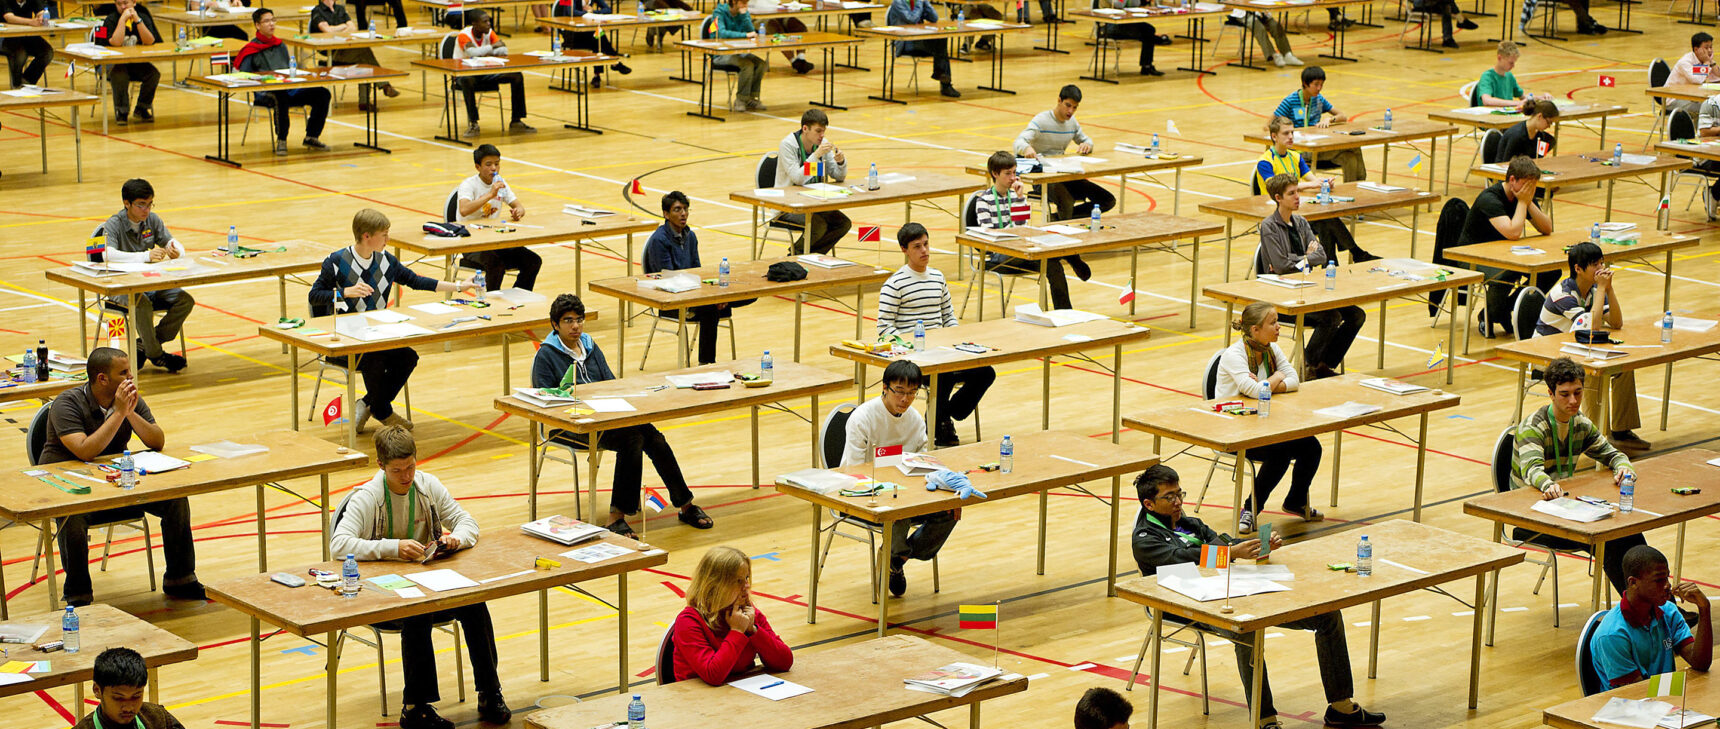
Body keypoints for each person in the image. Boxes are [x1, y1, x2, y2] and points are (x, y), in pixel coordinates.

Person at [1131, 464, 1385, 728]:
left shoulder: (1189, 523)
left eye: (1179, 493)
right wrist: (1231, 552)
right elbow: (1183, 558)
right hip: (1185, 604)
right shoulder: (1145, 539)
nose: (1178, 501)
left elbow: (1221, 542)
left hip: (1225, 590)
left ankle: (1341, 707)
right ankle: (1265, 719)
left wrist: (1255, 547)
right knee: (1247, 630)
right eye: (1169, 497)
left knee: (1327, 616)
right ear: (1149, 504)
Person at [330, 426, 510, 729]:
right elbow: (339, 544)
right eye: (398, 470)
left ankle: (490, 692)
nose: (406, 476)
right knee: (417, 611)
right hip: (381, 594)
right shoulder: (367, 497)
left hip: (428, 584)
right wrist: (393, 548)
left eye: (411, 466)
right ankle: (415, 707)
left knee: (474, 602)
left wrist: (457, 540)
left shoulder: (428, 485)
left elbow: (466, 521)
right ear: (381, 466)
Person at [530, 293, 712, 535]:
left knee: (653, 436)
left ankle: (685, 504)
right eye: (568, 320)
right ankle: (616, 518)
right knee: (632, 440)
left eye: (579, 320)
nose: (575, 326)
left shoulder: (590, 346)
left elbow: (610, 384)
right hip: (571, 426)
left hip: (607, 418)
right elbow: (546, 402)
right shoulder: (546, 355)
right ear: (555, 324)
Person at [40, 347, 203, 607]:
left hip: (114, 482)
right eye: (124, 372)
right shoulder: (67, 403)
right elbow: (86, 451)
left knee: (175, 499)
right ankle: (78, 593)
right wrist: (118, 413)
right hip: (70, 485)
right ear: (102, 378)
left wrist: (129, 412)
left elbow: (157, 440)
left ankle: (180, 578)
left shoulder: (129, 399)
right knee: (72, 515)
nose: (131, 378)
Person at [309, 209, 477, 431]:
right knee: (374, 359)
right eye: (384, 235)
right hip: (344, 340)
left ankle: (369, 404)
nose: (388, 240)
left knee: (407, 357)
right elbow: (314, 296)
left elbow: (416, 281)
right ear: (367, 236)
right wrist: (345, 292)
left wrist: (458, 287)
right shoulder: (337, 261)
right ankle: (383, 412)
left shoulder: (386, 261)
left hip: (377, 335)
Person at [1509, 357, 1645, 597]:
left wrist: (1624, 467)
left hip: (1565, 508)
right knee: (1610, 541)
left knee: (1629, 532)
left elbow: (1613, 454)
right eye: (1564, 394)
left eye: (1578, 392)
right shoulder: (1533, 427)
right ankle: (1638, 610)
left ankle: (1663, 609)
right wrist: (1548, 484)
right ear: (1550, 393)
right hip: (1530, 516)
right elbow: (1532, 470)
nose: (1573, 401)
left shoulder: (1579, 423)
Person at [841, 359, 956, 596]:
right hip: (864, 492)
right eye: (899, 392)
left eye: (912, 393)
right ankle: (896, 557)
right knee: (899, 511)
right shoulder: (863, 418)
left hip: (905, 490)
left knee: (951, 509)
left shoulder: (914, 420)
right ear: (885, 387)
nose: (905, 399)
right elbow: (852, 469)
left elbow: (922, 462)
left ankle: (897, 558)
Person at [878, 222, 994, 447]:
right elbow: (884, 330)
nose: (924, 251)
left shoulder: (938, 278)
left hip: (943, 351)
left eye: (926, 244)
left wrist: (955, 342)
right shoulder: (894, 284)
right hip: (914, 357)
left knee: (985, 372)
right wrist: (910, 346)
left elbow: (949, 316)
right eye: (917, 247)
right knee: (944, 374)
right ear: (904, 250)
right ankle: (939, 423)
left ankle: (943, 415)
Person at [1216, 302, 1325, 533]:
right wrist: (1276, 377)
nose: (1278, 327)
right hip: (1234, 430)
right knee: (1280, 453)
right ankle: (1250, 510)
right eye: (1273, 323)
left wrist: (1268, 384)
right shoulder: (1234, 355)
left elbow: (1294, 381)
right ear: (1255, 329)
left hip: (1265, 424)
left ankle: (1295, 501)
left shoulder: (1272, 349)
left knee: (1311, 446)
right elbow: (1254, 391)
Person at [1534, 243, 1649, 453]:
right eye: (1595, 264)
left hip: (1575, 348)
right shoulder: (1563, 294)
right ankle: (1594, 438)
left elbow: (1616, 322)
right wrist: (1603, 288)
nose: (1601, 267)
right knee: (1592, 371)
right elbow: (1593, 327)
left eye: (1602, 262)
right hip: (1547, 353)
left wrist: (1609, 288)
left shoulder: (1595, 289)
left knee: (1624, 367)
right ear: (1578, 268)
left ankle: (1622, 431)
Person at [1259, 174, 1364, 379]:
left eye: (1298, 191)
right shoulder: (1269, 226)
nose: (1298, 197)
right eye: (1292, 194)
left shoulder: (1301, 222)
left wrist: (1299, 260)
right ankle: (1306, 366)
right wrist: (1307, 257)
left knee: (1356, 314)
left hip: (1308, 289)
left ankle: (1322, 363)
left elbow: (1321, 255)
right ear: (1278, 198)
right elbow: (1280, 267)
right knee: (1331, 317)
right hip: (1282, 296)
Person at [644, 191, 753, 365]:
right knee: (711, 310)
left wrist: (716, 295)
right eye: (677, 209)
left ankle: (720, 301)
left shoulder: (691, 236)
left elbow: (697, 271)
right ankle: (706, 363)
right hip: (671, 299)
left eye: (686, 209)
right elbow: (667, 278)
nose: (683, 213)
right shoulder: (659, 240)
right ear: (666, 214)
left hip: (694, 293)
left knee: (748, 294)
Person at [1253, 117, 1377, 263]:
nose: (1291, 137)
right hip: (1277, 217)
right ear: (1274, 136)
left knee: (1326, 218)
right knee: (1326, 220)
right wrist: (1312, 185)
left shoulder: (1296, 157)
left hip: (1298, 212)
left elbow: (1312, 179)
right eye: (1286, 133)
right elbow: (1276, 187)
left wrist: (1324, 183)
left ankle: (1331, 263)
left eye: (1292, 132)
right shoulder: (1265, 162)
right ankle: (1354, 253)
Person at [101, 179, 192, 373]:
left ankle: (144, 345)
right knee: (141, 304)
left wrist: (176, 250)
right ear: (127, 203)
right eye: (141, 205)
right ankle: (157, 356)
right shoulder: (113, 224)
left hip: (149, 284)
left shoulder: (153, 220)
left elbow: (173, 242)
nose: (146, 210)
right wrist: (145, 256)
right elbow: (106, 254)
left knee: (185, 300)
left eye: (150, 204)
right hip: (121, 289)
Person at [1591, 545, 1711, 689]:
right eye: (1659, 580)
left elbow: (1700, 663)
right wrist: (1682, 686)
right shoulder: (1612, 635)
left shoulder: (1669, 612)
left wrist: (1704, 609)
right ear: (1633, 582)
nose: (1667, 586)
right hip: (1629, 707)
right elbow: (1638, 693)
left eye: (1667, 578)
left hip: (1664, 700)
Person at [1015, 84, 1117, 254]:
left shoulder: (1072, 123)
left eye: (1075, 108)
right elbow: (1019, 141)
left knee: (1107, 200)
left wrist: (1086, 145)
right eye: (1068, 105)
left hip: (1066, 174)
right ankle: (1061, 241)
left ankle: (1058, 219)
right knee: (1067, 201)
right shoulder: (1041, 120)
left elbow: (1087, 140)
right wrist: (1026, 149)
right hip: (1045, 178)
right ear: (1059, 101)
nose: (1071, 111)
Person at [670, 545, 793, 684]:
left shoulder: (747, 613)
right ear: (716, 585)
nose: (746, 586)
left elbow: (785, 662)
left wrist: (753, 630)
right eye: (738, 581)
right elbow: (713, 675)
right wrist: (737, 631)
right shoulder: (688, 621)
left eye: (746, 578)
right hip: (697, 699)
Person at [1461, 155, 1554, 337]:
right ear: (1513, 180)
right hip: (1472, 255)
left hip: (1504, 254)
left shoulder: (1523, 196)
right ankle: (1495, 313)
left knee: (1550, 271)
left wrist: (1527, 202)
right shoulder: (1490, 198)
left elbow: (1547, 228)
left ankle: (1499, 311)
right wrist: (1522, 202)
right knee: (1506, 273)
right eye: (1529, 185)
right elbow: (1513, 233)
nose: (1532, 190)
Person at [978, 150, 1077, 309]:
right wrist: (1013, 233)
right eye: (1008, 173)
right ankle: (1073, 258)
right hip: (1000, 255)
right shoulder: (984, 200)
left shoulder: (1016, 195)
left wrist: (1019, 198)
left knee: (1053, 264)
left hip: (1021, 249)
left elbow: (1022, 225)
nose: (1013, 178)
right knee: (1049, 255)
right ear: (995, 174)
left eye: (1015, 172)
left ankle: (1065, 311)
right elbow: (987, 232)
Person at [236, 8, 332, 156]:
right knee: (280, 96)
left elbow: (289, 69)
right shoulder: (251, 49)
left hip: (289, 88)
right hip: (266, 93)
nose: (271, 24)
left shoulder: (280, 45)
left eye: (273, 20)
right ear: (257, 25)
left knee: (322, 93)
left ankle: (312, 136)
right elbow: (243, 75)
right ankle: (282, 139)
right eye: (266, 21)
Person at [452, 144, 542, 292]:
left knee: (533, 261)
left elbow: (519, 206)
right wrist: (490, 195)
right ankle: (490, 303)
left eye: (497, 164)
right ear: (477, 167)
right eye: (488, 164)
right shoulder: (468, 185)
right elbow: (464, 209)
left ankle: (517, 296)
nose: (494, 168)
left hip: (494, 240)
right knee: (496, 265)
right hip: (471, 243)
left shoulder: (501, 183)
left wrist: (518, 212)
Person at [774, 109, 852, 255]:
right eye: (818, 131)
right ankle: (795, 255)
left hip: (815, 202)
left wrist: (841, 163)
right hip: (788, 205)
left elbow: (838, 176)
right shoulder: (788, 145)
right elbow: (797, 178)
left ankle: (813, 255)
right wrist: (816, 155)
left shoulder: (823, 144)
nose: (822, 136)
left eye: (823, 131)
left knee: (843, 223)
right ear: (805, 128)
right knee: (819, 225)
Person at [451, 10, 536, 137]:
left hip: (485, 72)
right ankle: (473, 123)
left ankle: (516, 121)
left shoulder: (489, 32)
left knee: (516, 76)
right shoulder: (464, 35)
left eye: (488, 21)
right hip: (464, 74)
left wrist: (485, 50)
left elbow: (503, 49)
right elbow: (472, 53)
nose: (488, 24)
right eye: (484, 22)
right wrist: (491, 48)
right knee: (467, 80)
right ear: (474, 24)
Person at [1273, 67, 1366, 182]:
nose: (1319, 88)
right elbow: (1271, 122)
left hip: (1317, 146)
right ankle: (1362, 182)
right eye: (1316, 85)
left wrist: (1330, 119)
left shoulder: (1318, 99)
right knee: (1354, 146)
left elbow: (1342, 116)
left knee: (1349, 158)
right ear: (1305, 84)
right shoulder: (1291, 101)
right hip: (1301, 150)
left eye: (1321, 85)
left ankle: (1353, 191)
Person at [309, 0, 400, 108]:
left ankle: (369, 97)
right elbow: (327, 30)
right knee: (364, 53)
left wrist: (337, 31)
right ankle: (380, 88)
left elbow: (353, 27)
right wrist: (343, 26)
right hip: (332, 52)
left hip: (346, 48)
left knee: (363, 57)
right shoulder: (317, 11)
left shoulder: (340, 9)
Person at [70, 648, 187, 729]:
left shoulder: (159, 719)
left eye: (136, 696)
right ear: (97, 690)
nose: (128, 707)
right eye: (118, 698)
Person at [94, 0, 161, 125]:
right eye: (119, 4)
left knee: (153, 74)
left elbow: (150, 40)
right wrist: (122, 21)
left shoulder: (143, 17)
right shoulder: (110, 20)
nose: (123, 7)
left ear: (134, 3)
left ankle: (142, 108)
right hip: (109, 64)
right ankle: (122, 111)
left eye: (126, 3)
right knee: (120, 75)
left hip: (134, 63)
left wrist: (138, 21)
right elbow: (116, 42)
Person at [886, 0, 960, 98]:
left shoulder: (918, 2)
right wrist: (920, 3)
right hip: (906, 43)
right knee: (940, 47)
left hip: (919, 39)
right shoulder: (898, 2)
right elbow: (912, 19)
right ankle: (944, 82)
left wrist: (926, 3)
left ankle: (942, 76)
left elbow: (934, 18)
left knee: (941, 39)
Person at [551, 0, 633, 88]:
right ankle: (613, 63)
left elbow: (608, 10)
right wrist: (587, 12)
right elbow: (572, 12)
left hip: (587, 33)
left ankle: (599, 75)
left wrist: (593, 11)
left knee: (597, 38)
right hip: (571, 35)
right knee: (597, 38)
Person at [709, 0, 768, 111]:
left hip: (738, 51)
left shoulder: (743, 13)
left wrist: (745, 16)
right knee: (747, 65)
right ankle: (741, 99)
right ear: (734, 2)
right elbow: (721, 33)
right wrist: (744, 35)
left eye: (746, 3)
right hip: (720, 54)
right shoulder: (719, 12)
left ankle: (752, 98)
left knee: (761, 64)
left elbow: (750, 30)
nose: (745, 6)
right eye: (742, 3)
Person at [1091, 0, 1162, 76]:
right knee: (1146, 33)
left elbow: (1136, 3)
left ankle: (1147, 65)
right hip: (1107, 26)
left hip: (1121, 22)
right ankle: (1147, 64)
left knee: (1148, 30)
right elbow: (1119, 4)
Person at [1476, 42, 1550, 107]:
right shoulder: (1487, 77)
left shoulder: (1509, 76)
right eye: (1511, 63)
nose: (1513, 66)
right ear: (1499, 58)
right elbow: (1487, 100)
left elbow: (1523, 97)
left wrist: (1541, 98)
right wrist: (1517, 103)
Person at [0, 0, 52, 87]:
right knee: (20, 53)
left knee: (47, 52)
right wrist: (30, 22)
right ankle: (17, 84)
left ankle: (27, 81)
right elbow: (9, 17)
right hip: (5, 37)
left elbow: (41, 10)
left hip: (26, 34)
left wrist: (41, 16)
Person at [1225, 10, 1298, 68]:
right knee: (1260, 28)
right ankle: (1273, 55)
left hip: (1260, 11)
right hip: (1243, 13)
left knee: (1275, 26)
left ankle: (1287, 54)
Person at [1494, 98, 1559, 163]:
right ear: (1540, 116)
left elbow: (1551, 141)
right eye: (1548, 122)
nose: (1549, 126)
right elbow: (1506, 163)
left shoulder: (1541, 136)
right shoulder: (1516, 136)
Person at [1667, 33, 1714, 117]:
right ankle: (1703, 130)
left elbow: (1717, 77)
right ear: (1696, 49)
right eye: (1706, 48)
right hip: (1674, 99)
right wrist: (1707, 62)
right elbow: (1698, 80)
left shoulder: (1701, 61)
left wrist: (1711, 63)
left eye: (1711, 47)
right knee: (1707, 109)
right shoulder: (1685, 62)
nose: (1710, 50)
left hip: (1692, 98)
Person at [1410, 0, 1476, 48]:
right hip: (1419, 3)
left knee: (1446, 6)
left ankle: (1448, 39)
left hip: (1433, 3)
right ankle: (1460, 20)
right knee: (1446, 4)